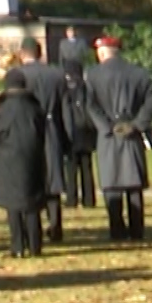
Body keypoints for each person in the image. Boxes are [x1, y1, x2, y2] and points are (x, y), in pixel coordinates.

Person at [86, 35, 152, 241]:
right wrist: (137, 124)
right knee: (133, 183)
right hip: (131, 131)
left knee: (112, 183)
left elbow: (89, 104)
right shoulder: (139, 74)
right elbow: (151, 101)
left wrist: (106, 126)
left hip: (107, 135)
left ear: (101, 53)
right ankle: (137, 230)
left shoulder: (92, 75)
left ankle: (116, 229)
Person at [6, 38, 71, 243]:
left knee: (28, 176)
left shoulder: (17, 76)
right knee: (52, 178)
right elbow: (66, 109)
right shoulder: (57, 75)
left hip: (27, 130)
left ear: (22, 53)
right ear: (40, 53)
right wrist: (67, 138)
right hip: (51, 127)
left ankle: (30, 227)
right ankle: (55, 224)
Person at [0, 72, 48, 257]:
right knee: (32, 202)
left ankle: (18, 246)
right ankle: (35, 245)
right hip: (33, 156)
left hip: (8, 157)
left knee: (12, 203)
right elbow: (43, 132)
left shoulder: (1, 111)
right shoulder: (35, 107)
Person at [62, 61, 98, 208]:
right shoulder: (86, 88)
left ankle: (72, 199)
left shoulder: (66, 90)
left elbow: (65, 110)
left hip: (72, 131)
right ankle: (89, 199)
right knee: (87, 168)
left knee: (71, 169)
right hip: (86, 132)